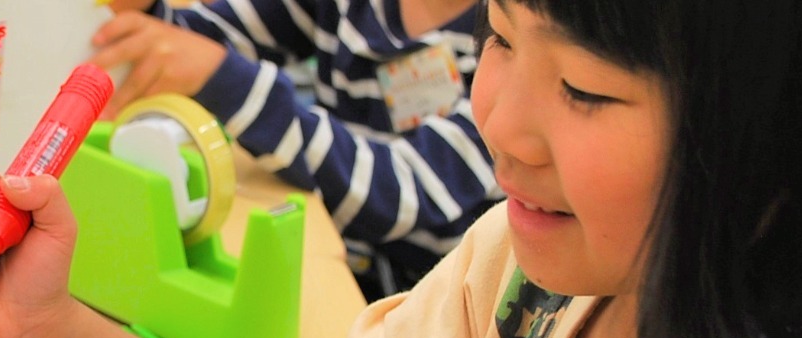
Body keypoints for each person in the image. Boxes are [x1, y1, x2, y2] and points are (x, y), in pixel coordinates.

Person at [0, 0, 802, 338]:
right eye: (500, 39)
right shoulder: (516, 269)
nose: (497, 123)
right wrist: (43, 335)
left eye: (585, 89)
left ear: (779, 140)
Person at [88, 0, 499, 299]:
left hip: (427, 305)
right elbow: (198, 42)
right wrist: (148, 14)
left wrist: (225, 80)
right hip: (325, 254)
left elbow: (398, 192)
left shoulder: (510, 43)